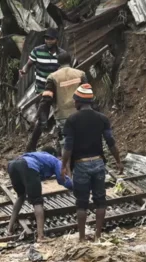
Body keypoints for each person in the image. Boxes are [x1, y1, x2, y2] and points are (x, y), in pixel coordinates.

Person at [61, 84, 123, 242]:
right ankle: (98, 236)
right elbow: (111, 142)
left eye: (75, 100)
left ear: (78, 102)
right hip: (98, 163)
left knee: (81, 203)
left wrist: (63, 165)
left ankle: (81, 237)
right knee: (100, 200)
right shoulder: (102, 118)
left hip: (81, 165)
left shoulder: (72, 120)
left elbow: (68, 146)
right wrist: (118, 161)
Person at [6, 146, 73, 241]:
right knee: (37, 201)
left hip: (12, 165)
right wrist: (73, 186)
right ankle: (41, 236)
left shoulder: (38, 156)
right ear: (55, 155)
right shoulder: (55, 159)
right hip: (27, 166)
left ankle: (9, 230)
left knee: (21, 196)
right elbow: (62, 179)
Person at [27, 51, 88, 152]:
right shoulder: (81, 74)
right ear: (70, 60)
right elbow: (87, 95)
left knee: (67, 143)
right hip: (80, 113)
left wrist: (41, 115)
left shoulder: (53, 77)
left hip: (62, 115)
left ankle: (67, 164)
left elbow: (47, 99)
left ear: (58, 62)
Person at [19, 28, 66, 94]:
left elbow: (66, 71)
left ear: (57, 40)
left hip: (56, 92)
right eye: (46, 38)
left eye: (51, 39)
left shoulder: (62, 54)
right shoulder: (37, 51)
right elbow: (28, 64)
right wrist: (24, 70)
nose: (48, 41)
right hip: (41, 92)